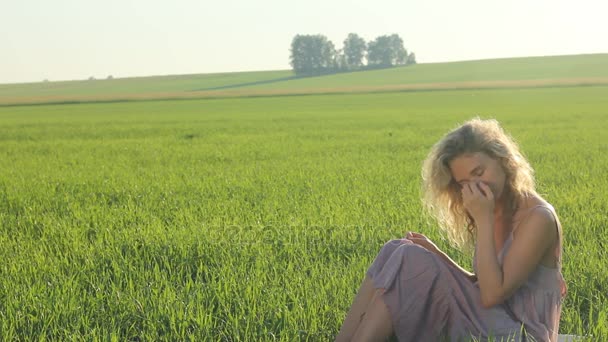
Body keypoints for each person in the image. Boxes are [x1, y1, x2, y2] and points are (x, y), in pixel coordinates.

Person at [336, 118, 567, 342]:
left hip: (521, 334)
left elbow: (491, 295)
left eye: (479, 172)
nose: (475, 186)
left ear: (503, 160)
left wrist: (483, 220)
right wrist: (439, 257)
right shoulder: (494, 207)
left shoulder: (538, 218)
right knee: (396, 248)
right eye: (463, 182)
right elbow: (483, 282)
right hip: (493, 319)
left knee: (410, 257)